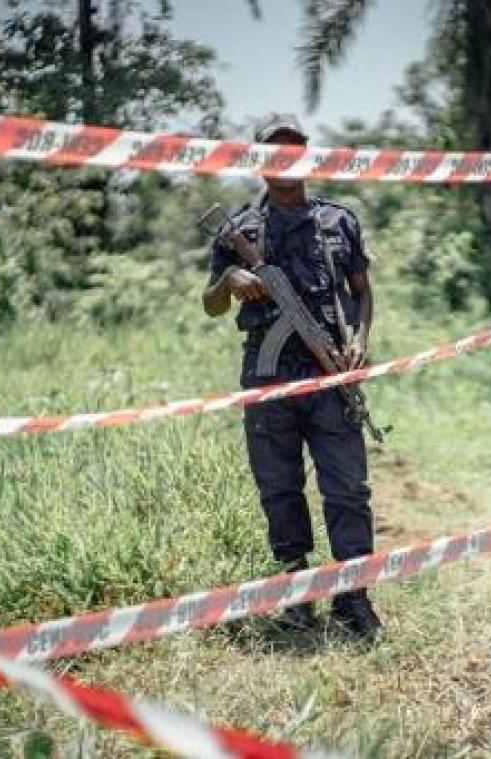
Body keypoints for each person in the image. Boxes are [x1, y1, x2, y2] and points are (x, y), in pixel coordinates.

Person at [202, 113, 381, 641]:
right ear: (260, 162)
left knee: (348, 490)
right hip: (268, 377)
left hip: (330, 373)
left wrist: (360, 339)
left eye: (294, 149)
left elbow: (362, 291)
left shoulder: (338, 221)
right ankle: (296, 596)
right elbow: (211, 303)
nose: (286, 160)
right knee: (280, 490)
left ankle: (353, 597)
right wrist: (230, 278)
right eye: (274, 152)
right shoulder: (240, 230)